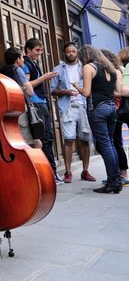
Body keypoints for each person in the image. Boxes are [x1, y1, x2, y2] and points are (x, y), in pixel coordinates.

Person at [73, 45, 122, 193]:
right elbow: (117, 92)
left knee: (105, 146)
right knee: (110, 144)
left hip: (98, 109)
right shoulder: (111, 69)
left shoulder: (89, 67)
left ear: (85, 56)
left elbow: (86, 93)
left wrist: (76, 86)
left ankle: (113, 182)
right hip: (111, 108)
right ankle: (116, 179)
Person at [50, 42, 95, 183]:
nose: (71, 53)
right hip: (67, 108)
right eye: (68, 51)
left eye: (73, 51)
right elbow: (52, 90)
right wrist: (65, 91)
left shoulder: (85, 68)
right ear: (64, 53)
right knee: (68, 139)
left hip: (82, 106)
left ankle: (85, 171)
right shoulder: (58, 69)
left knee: (85, 140)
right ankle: (68, 172)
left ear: (77, 52)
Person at [22, 38, 61, 183]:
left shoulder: (32, 63)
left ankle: (51, 172)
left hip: (41, 102)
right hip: (36, 103)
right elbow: (27, 85)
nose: (40, 53)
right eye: (37, 50)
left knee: (48, 138)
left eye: (41, 50)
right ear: (28, 50)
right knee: (43, 139)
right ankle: (49, 172)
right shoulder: (26, 64)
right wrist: (44, 77)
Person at [0, 47, 41, 148]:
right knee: (33, 144)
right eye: (22, 57)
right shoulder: (18, 70)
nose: (23, 60)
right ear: (17, 60)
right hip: (21, 111)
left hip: (7, 112)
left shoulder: (2, 71)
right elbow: (30, 92)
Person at [101, 48, 129, 185]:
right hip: (118, 109)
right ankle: (121, 174)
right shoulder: (122, 70)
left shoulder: (118, 71)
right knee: (116, 143)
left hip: (118, 109)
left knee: (116, 143)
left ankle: (122, 174)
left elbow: (120, 91)